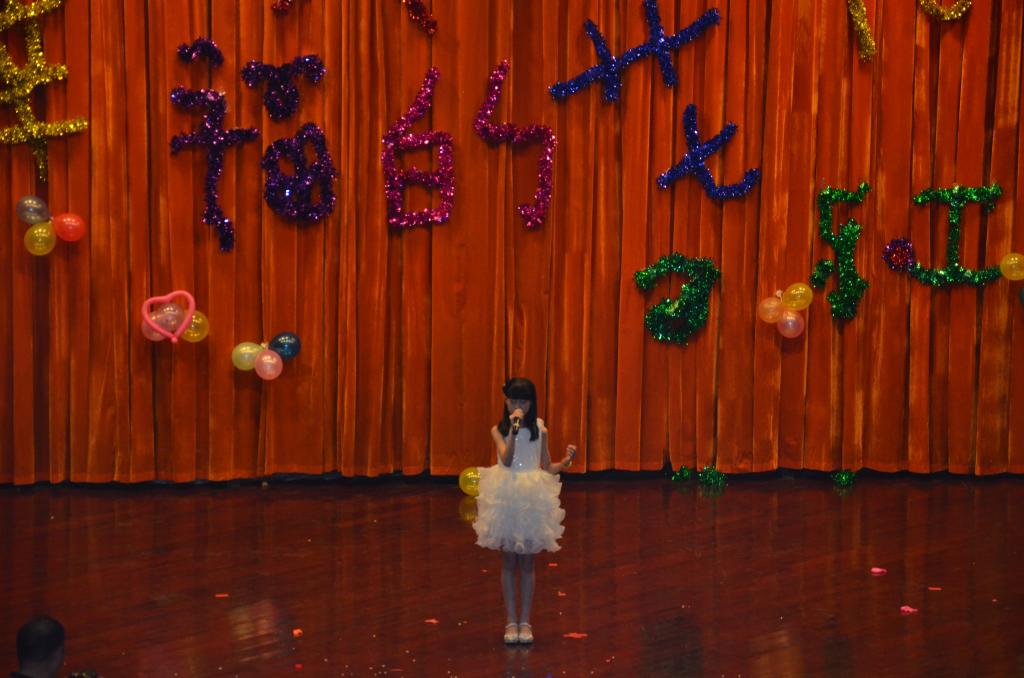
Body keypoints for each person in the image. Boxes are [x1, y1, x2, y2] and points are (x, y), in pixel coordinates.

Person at [472, 377, 577, 645]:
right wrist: (513, 430)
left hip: (531, 496)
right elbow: (507, 459)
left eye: (523, 401)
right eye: (513, 400)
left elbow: (547, 466)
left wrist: (566, 461)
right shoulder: (498, 429)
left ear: (532, 403)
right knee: (508, 561)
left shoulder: (541, 430)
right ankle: (511, 621)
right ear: (506, 402)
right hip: (507, 495)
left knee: (528, 562)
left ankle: (526, 621)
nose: (518, 405)